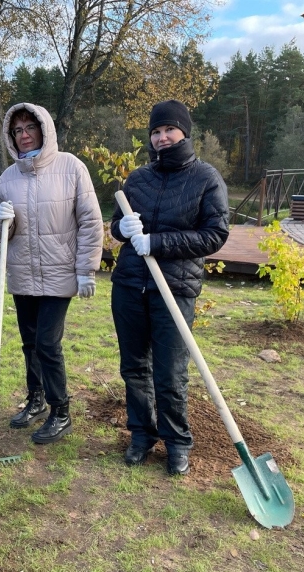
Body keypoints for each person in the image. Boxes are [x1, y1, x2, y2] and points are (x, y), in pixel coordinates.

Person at [110, 99, 229, 475]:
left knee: (171, 370)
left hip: (175, 288)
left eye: (169, 130)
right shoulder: (138, 179)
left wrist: (157, 243)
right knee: (134, 367)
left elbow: (214, 234)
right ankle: (141, 435)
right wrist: (122, 229)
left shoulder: (206, 177)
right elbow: (116, 224)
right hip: (130, 284)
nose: (162, 137)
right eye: (156, 131)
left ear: (184, 133)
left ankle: (177, 442)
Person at [0, 103, 104, 444]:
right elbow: (2, 234)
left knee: (47, 343)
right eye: (17, 130)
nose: (24, 135)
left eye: (30, 127)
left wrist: (86, 269)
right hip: (23, 273)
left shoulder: (71, 167)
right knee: (30, 342)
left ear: (44, 129)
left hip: (59, 273)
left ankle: (61, 411)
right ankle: (36, 399)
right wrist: (1, 220)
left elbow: (90, 221)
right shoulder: (7, 179)